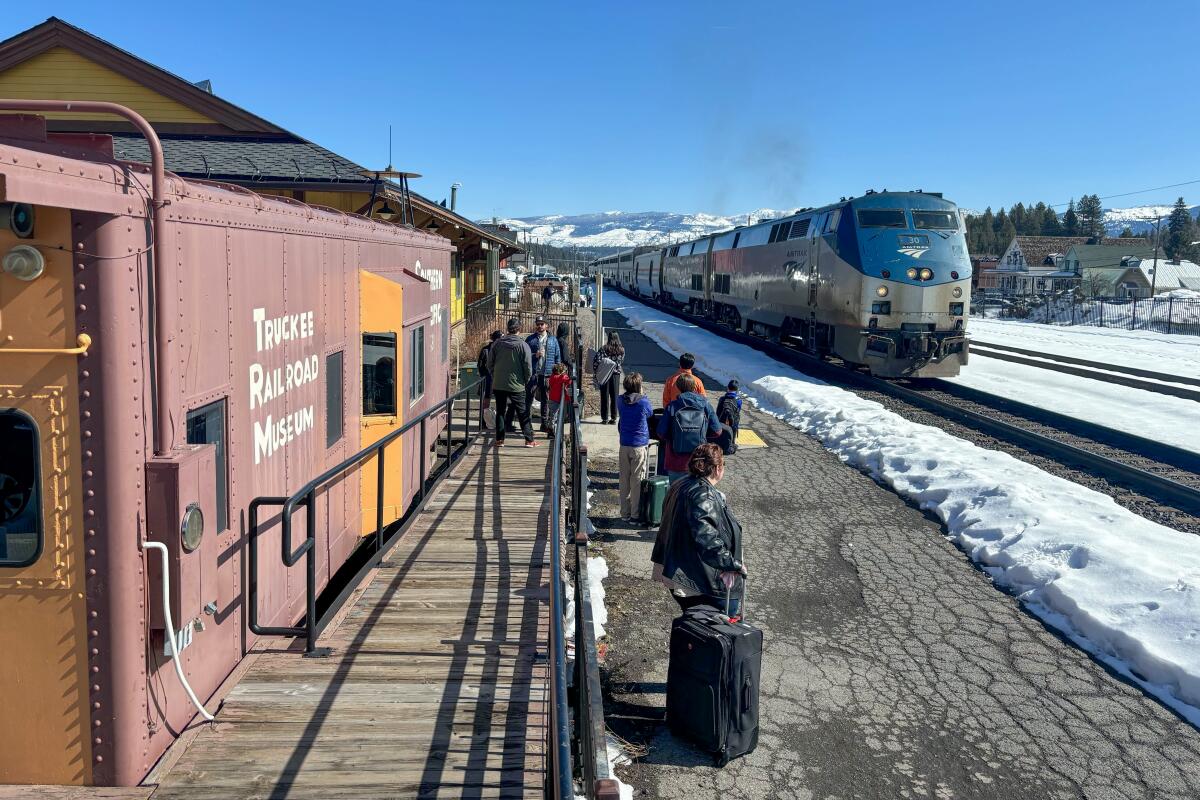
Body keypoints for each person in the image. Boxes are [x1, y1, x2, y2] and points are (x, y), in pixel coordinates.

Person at [651, 443, 746, 616]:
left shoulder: (681, 484)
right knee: (723, 623)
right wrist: (733, 564)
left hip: (678, 569)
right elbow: (707, 540)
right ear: (717, 468)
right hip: (698, 579)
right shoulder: (703, 495)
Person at [657, 373, 721, 484]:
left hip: (675, 461)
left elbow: (661, 433)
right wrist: (702, 434)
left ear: (678, 387)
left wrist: (675, 436)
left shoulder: (672, 406)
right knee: (696, 495)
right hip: (699, 460)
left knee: (676, 495)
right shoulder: (705, 405)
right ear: (695, 386)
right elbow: (717, 431)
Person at [487, 318, 538, 447]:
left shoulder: (497, 344)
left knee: (500, 411)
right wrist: (525, 381)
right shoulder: (523, 345)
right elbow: (528, 367)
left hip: (499, 383)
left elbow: (489, 363)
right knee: (523, 412)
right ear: (519, 329)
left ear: (507, 329)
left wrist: (495, 375)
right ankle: (529, 440)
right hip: (517, 384)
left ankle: (499, 440)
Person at [616, 372, 654, 520]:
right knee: (637, 480)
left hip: (624, 443)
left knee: (624, 479)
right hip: (639, 445)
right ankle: (635, 513)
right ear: (639, 386)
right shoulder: (643, 402)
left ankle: (624, 513)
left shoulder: (620, 401)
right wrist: (643, 395)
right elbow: (649, 414)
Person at [526, 316, 562, 432]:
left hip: (547, 374)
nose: (540, 326)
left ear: (547, 325)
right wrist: (534, 355)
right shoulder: (530, 339)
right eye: (538, 324)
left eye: (542, 324)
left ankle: (544, 423)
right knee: (529, 398)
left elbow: (557, 358)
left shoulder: (553, 340)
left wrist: (557, 373)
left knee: (546, 399)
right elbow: (524, 357)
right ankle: (527, 424)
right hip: (533, 374)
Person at [592, 330, 625, 424]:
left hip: (605, 374)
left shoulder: (604, 348)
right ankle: (614, 418)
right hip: (615, 375)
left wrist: (596, 371)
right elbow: (620, 362)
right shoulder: (621, 350)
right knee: (615, 396)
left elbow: (597, 360)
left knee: (604, 396)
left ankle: (605, 418)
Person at [476, 330, 502, 409]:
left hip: (500, 378)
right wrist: (485, 375)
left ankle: (499, 416)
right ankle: (484, 416)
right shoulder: (485, 350)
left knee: (500, 398)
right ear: (496, 339)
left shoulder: (503, 349)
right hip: (488, 379)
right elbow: (480, 365)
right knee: (487, 397)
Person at [546, 362, 572, 436]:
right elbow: (568, 380)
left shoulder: (552, 377)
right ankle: (552, 430)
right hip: (556, 400)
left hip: (552, 398)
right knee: (555, 416)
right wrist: (566, 375)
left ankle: (551, 429)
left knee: (553, 415)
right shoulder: (559, 377)